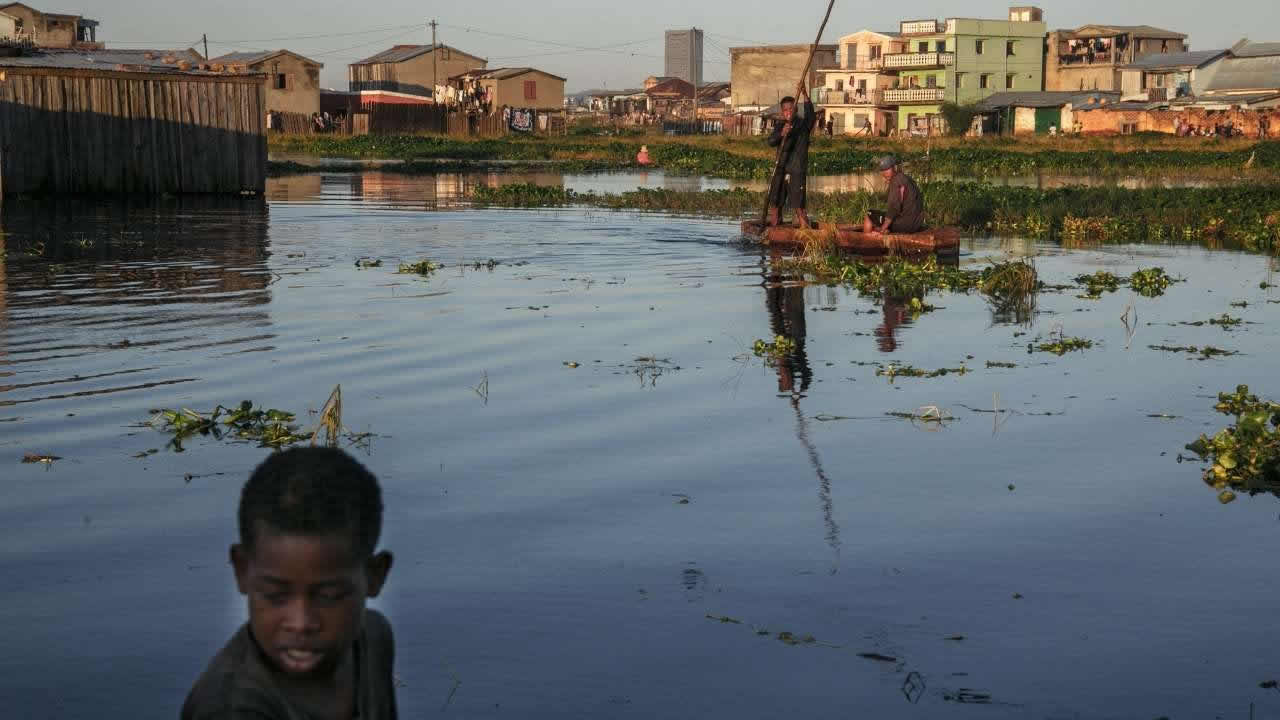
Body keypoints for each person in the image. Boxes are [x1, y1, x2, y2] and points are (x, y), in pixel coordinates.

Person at [182, 447, 397, 720]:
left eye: (329, 596)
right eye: (275, 595)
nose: (301, 623)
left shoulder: (372, 639)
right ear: (242, 571)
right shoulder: (231, 710)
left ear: (374, 576)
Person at [766, 80, 817, 228]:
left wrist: (805, 94)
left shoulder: (802, 125)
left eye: (791, 109)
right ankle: (775, 231)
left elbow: (811, 116)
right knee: (775, 203)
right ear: (782, 111)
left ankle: (805, 231)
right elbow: (771, 141)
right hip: (780, 168)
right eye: (785, 110)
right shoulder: (780, 126)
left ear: (795, 110)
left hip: (796, 169)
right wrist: (782, 134)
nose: (788, 112)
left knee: (798, 205)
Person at [863, 155, 925, 234]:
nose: (885, 173)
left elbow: (893, 208)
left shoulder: (896, 181)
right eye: (883, 170)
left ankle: (867, 241)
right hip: (916, 224)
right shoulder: (906, 178)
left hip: (905, 225)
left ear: (894, 167)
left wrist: (882, 229)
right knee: (883, 216)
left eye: (887, 169)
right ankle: (885, 231)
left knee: (869, 214)